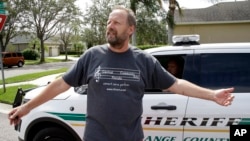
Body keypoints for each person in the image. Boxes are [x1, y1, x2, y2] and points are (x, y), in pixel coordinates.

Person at [9, 6, 234, 141]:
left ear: (130, 29)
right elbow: (61, 84)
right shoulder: (91, 56)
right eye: (108, 22)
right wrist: (27, 107)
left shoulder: (144, 60)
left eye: (116, 22)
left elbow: (176, 84)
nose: (110, 25)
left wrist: (212, 95)